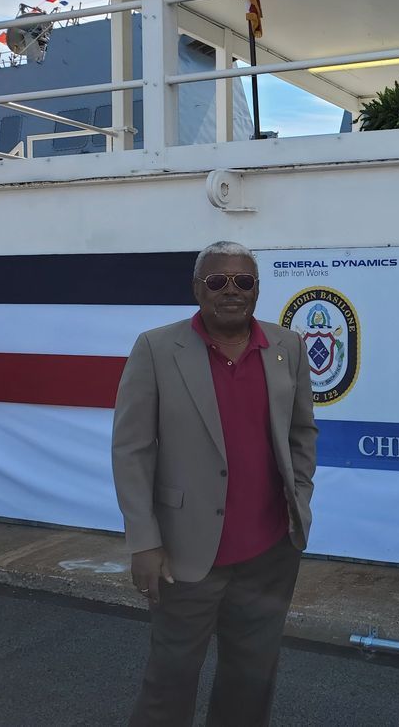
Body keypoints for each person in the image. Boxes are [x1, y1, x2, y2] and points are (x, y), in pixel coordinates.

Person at [112, 240, 317, 727]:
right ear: (197, 289)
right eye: (217, 281)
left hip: (270, 554)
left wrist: (300, 500)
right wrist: (144, 541)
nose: (231, 291)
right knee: (170, 682)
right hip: (184, 557)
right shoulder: (156, 349)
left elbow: (301, 433)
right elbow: (131, 450)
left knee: (251, 681)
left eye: (243, 281)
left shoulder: (287, 348)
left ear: (257, 290)